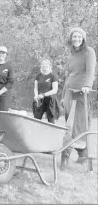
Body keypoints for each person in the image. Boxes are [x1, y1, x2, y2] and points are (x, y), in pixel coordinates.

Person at [60, 27, 96, 169]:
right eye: (74, 36)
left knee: (77, 125)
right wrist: (63, 96)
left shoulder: (89, 52)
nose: (76, 39)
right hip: (69, 93)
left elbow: (91, 70)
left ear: (83, 38)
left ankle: (66, 156)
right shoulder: (72, 55)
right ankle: (82, 156)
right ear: (71, 39)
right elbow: (68, 76)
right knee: (70, 123)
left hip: (80, 93)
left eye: (79, 36)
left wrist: (87, 85)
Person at [32, 59, 61, 123]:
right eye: (43, 65)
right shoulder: (38, 76)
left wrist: (43, 95)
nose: (44, 67)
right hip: (39, 100)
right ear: (41, 66)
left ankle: (51, 132)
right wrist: (36, 96)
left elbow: (54, 90)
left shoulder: (53, 76)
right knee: (36, 120)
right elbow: (35, 88)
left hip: (50, 100)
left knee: (51, 121)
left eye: (46, 65)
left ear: (49, 66)